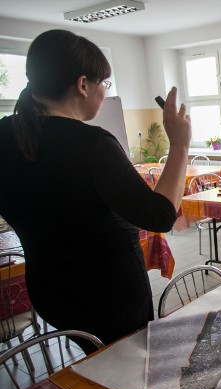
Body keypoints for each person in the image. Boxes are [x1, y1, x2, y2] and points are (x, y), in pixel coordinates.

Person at [0, 30, 191, 353]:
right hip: (110, 296)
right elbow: (159, 215)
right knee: (123, 382)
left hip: (49, 290)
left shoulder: (5, 134)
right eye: (104, 84)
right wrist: (180, 144)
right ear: (82, 84)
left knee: (89, 371)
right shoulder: (92, 144)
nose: (104, 93)